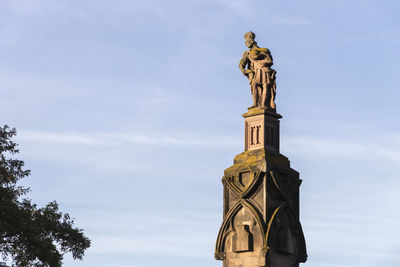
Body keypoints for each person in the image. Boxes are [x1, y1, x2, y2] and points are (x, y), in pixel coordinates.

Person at [239, 31, 277, 110]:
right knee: (254, 86)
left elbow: (270, 61)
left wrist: (261, 58)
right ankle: (255, 104)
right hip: (254, 73)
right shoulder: (247, 53)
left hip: (264, 70)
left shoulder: (264, 50)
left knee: (265, 85)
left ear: (251, 41)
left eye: (247, 42)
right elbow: (241, 64)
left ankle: (264, 104)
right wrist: (245, 71)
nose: (246, 44)